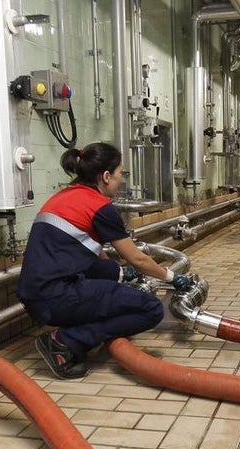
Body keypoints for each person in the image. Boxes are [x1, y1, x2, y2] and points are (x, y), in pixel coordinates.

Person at [18, 142, 192, 379]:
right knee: (151, 309)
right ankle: (64, 341)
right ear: (106, 176)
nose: (122, 180)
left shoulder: (64, 197)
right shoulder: (101, 207)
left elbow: (91, 253)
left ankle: (74, 332)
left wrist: (119, 274)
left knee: (113, 285)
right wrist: (172, 277)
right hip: (56, 298)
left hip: (35, 296)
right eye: (120, 173)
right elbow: (137, 259)